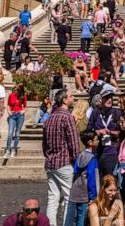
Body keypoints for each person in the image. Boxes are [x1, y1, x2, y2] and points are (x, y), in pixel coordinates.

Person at [44, 89, 81, 226]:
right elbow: (74, 142)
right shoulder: (67, 117)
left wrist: (48, 155)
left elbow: (44, 144)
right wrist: (76, 160)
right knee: (68, 198)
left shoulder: (50, 118)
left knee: (52, 198)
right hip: (64, 162)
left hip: (50, 162)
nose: (73, 98)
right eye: (71, 96)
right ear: (64, 100)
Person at [65, 130, 100, 226]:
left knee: (72, 218)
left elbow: (75, 170)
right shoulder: (92, 159)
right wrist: (93, 196)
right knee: (82, 219)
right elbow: (92, 179)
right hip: (85, 194)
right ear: (90, 142)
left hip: (75, 191)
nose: (98, 141)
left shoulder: (80, 156)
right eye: (96, 140)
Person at [5, 83, 28, 159]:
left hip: (20, 116)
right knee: (10, 133)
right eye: (15, 89)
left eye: (17, 90)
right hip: (12, 115)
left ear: (20, 90)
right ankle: (8, 150)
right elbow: (8, 105)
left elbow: (25, 107)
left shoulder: (23, 96)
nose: (16, 91)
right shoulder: (11, 95)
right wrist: (9, 111)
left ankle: (14, 149)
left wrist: (22, 112)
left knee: (17, 134)